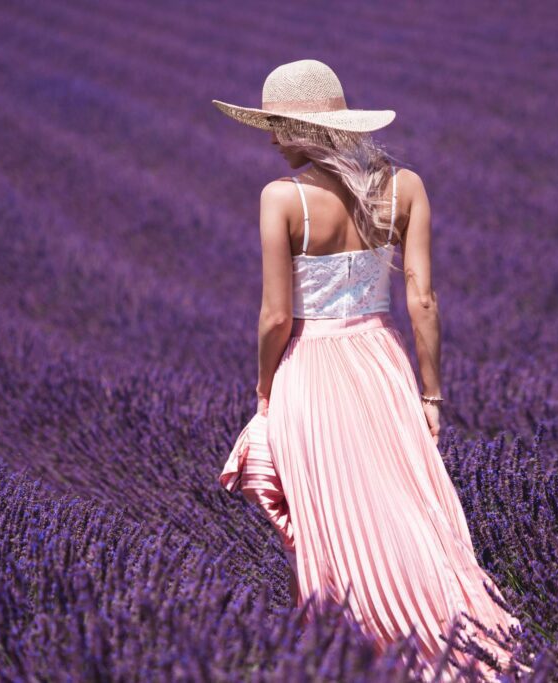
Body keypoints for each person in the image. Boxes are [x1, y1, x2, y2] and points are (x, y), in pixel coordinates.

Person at [214, 59, 531, 682]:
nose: (272, 142)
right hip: (384, 366)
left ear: (295, 129)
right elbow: (424, 301)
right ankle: (457, 636)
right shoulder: (404, 185)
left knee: (336, 524)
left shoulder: (283, 198)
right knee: (412, 509)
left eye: (275, 128)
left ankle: (365, 651)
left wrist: (263, 394)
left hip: (313, 371)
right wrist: (432, 395)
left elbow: (276, 316)